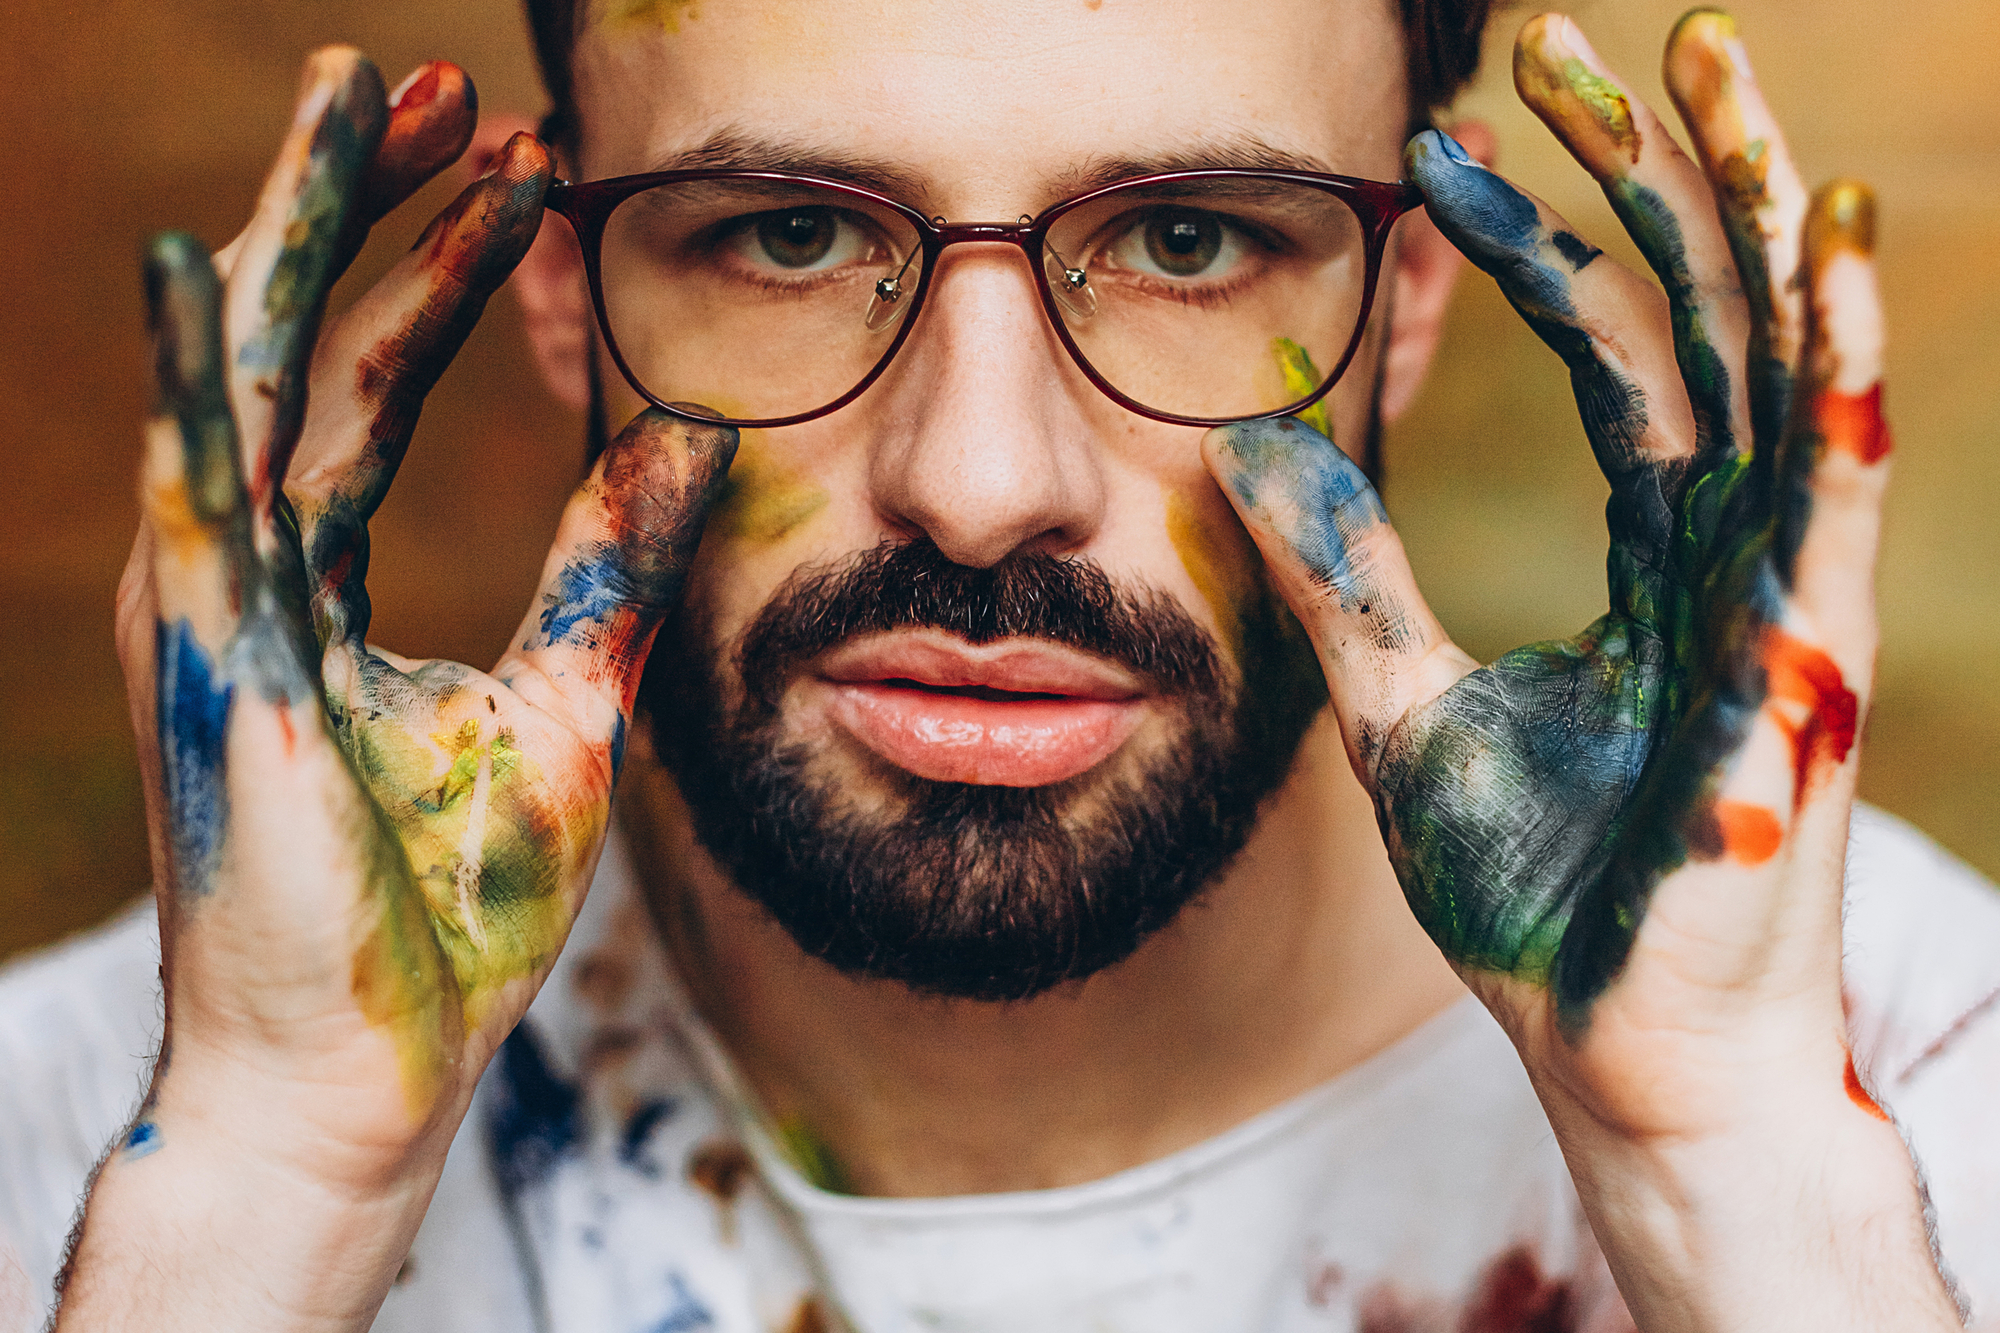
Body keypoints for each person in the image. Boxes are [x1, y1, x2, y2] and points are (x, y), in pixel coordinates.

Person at [2, 1, 1996, 1329]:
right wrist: (276, 1194)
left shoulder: (1897, 1108)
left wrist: (1724, 1189)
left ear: (1404, 308)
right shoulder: (104, 1148)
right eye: (786, 233)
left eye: (1192, 240)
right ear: (557, 298)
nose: (976, 484)